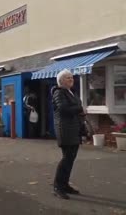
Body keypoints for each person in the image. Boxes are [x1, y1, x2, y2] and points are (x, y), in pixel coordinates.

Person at [51, 69, 85, 199]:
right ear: (60, 81)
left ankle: (64, 185)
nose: (71, 79)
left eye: (71, 77)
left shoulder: (71, 92)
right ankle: (57, 187)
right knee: (66, 159)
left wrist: (80, 112)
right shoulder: (59, 92)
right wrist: (79, 109)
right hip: (65, 130)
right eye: (67, 78)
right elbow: (63, 109)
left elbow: (75, 108)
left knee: (70, 159)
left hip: (74, 129)